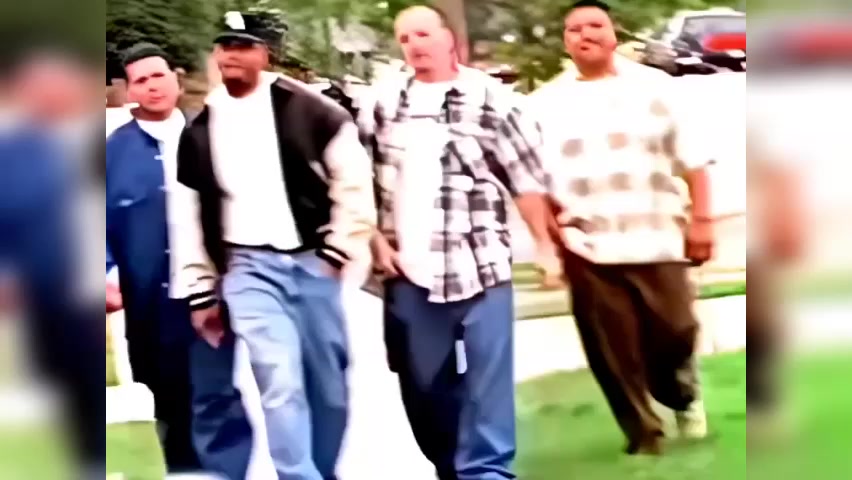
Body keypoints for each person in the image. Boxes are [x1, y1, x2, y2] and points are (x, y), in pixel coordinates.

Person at [359, 6, 563, 479]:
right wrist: (373, 241)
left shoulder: (495, 100)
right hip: (409, 271)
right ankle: (449, 467)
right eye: (405, 38)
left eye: (424, 34)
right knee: (424, 390)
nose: (415, 45)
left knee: (488, 384)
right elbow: (357, 181)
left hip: (481, 263)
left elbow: (527, 180)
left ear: (449, 38)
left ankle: (489, 471)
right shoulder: (381, 104)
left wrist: (546, 248)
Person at [175, 11, 376, 480]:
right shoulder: (201, 128)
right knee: (279, 379)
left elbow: (353, 181)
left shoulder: (310, 110)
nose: (231, 55)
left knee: (329, 387)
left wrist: (339, 248)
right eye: (225, 45)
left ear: (264, 55)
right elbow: (188, 214)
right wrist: (201, 289)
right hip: (248, 268)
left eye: (243, 46)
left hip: (312, 264)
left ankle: (322, 470)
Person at [526, 0, 713, 454]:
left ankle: (679, 393)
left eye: (595, 25)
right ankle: (644, 436)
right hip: (586, 242)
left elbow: (695, 161)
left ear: (614, 33)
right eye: (574, 29)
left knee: (677, 329)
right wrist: (548, 243)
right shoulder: (544, 104)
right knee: (612, 348)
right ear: (565, 42)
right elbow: (533, 182)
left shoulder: (657, 88)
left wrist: (703, 220)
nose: (585, 34)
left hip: (659, 234)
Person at [105, 43, 253, 478]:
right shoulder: (111, 154)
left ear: (178, 78)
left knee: (217, 395)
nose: (152, 86)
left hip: (211, 294)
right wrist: (105, 273)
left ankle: (225, 472)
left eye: (158, 75)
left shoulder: (214, 135)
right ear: (129, 90)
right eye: (141, 80)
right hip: (150, 302)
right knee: (168, 398)